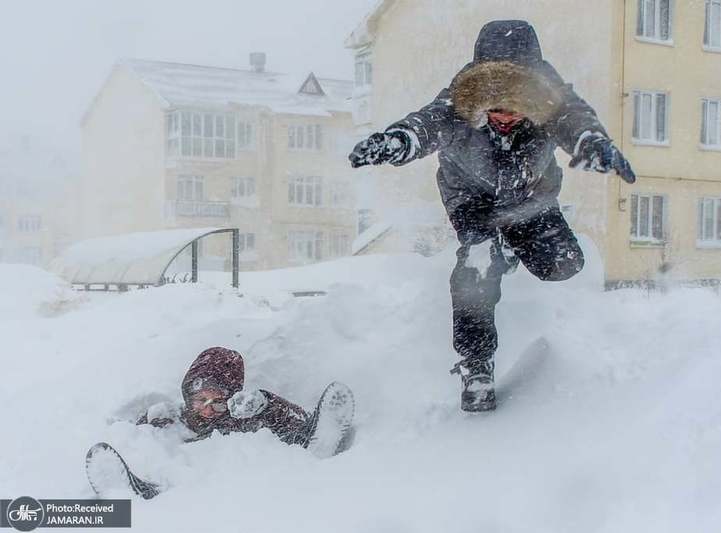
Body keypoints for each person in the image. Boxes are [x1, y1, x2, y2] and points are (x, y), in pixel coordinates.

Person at [349, 20, 636, 412]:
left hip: (530, 202)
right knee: (477, 267)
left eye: (515, 108)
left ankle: (512, 248)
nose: (504, 116)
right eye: (495, 108)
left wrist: (592, 142)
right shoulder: (455, 104)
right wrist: (398, 141)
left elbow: (575, 120)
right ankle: (476, 365)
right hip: (473, 204)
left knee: (565, 265)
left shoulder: (553, 100)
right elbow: (425, 125)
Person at [136, 347, 354, 457]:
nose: (208, 410)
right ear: (188, 395)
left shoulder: (240, 419)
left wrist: (268, 404)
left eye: (218, 402)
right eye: (201, 400)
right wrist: (146, 423)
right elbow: (134, 440)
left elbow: (297, 423)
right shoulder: (171, 418)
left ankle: (318, 447)